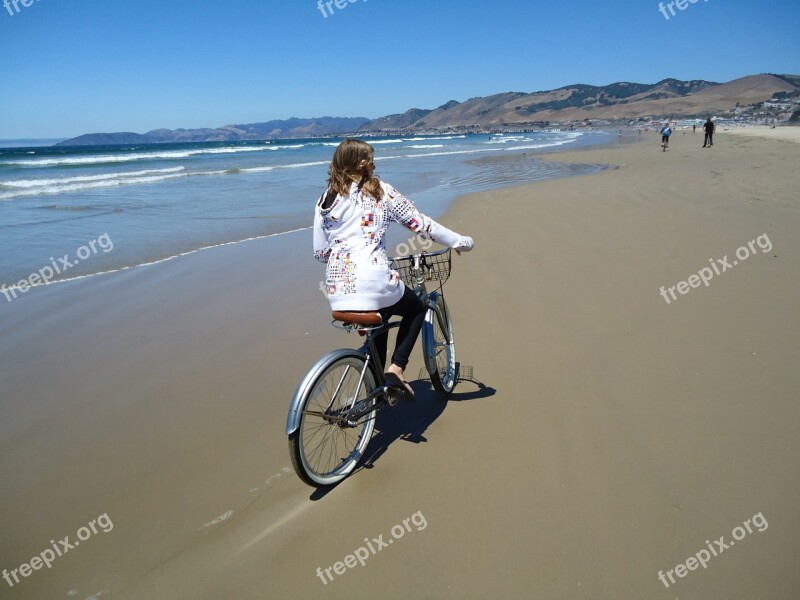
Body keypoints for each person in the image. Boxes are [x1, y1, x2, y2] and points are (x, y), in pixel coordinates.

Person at [313, 138, 474, 399]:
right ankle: (397, 368)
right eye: (372, 160)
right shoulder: (381, 192)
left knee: (383, 310)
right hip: (374, 279)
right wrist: (460, 241)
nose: (375, 165)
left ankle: (378, 381)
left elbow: (320, 253)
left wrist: (348, 255)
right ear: (363, 165)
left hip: (336, 288)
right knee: (416, 309)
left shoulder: (325, 200)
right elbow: (421, 224)